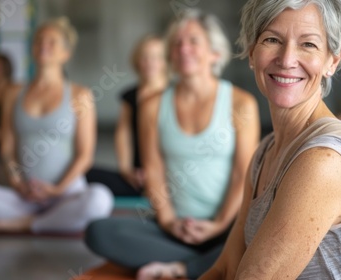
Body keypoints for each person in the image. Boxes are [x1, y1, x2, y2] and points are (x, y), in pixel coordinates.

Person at [201, 0, 341, 279]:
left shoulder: (325, 160)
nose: (286, 59)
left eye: (308, 44)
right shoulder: (264, 152)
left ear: (333, 59)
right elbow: (225, 269)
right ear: (250, 51)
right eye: (272, 39)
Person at [84, 9, 260, 280]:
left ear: (215, 53)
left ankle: (184, 268)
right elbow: (153, 169)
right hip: (172, 229)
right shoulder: (152, 105)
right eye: (176, 43)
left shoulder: (241, 103)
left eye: (193, 41)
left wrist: (218, 224)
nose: (183, 48)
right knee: (98, 232)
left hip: (227, 229)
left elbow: (243, 175)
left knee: (261, 235)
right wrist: (168, 221)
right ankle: (212, 266)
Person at [0, 17, 113, 233]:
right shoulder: (13, 94)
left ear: (66, 53)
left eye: (52, 42)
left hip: (67, 195)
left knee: (100, 200)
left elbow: (85, 155)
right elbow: (8, 149)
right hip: (25, 195)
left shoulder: (81, 95)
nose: (43, 46)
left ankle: (27, 223)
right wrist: (17, 182)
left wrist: (57, 189)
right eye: (39, 40)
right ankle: (50, 220)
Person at [86, 35, 168, 196]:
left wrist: (157, 175)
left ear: (166, 61)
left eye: (156, 57)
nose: (150, 62)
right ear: (137, 61)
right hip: (137, 177)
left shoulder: (176, 95)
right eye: (145, 57)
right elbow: (123, 134)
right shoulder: (129, 97)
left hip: (170, 177)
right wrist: (127, 171)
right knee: (85, 174)